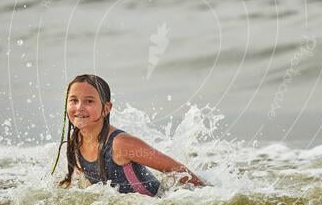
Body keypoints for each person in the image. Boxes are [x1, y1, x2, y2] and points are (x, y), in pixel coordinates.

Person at [50, 74, 206, 196]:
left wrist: (208, 193)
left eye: (89, 101)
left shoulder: (121, 144)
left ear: (106, 108)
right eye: (73, 100)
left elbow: (177, 169)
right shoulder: (76, 140)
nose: (79, 107)